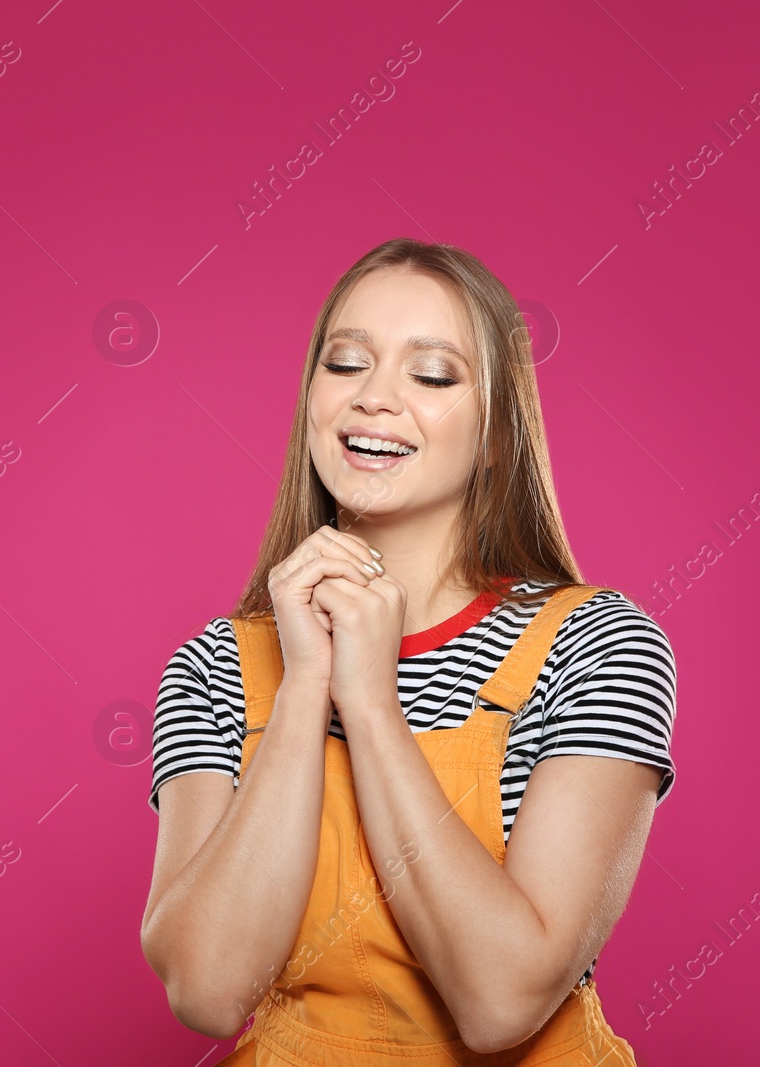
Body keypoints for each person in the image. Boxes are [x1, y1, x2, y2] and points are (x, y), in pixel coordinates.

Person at [140, 238, 677, 1065]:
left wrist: (369, 700)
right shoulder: (217, 665)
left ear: (499, 436)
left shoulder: (598, 646)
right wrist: (304, 681)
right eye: (346, 363)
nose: (375, 399)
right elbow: (209, 990)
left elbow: (502, 1000)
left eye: (432, 376)